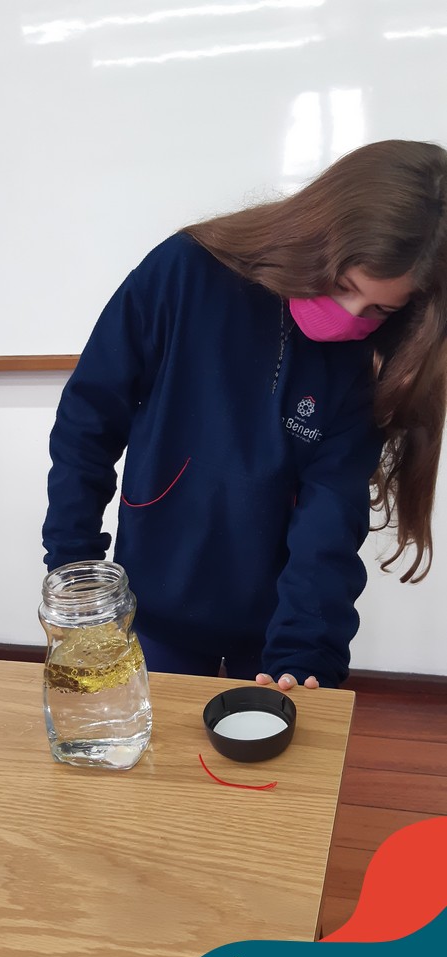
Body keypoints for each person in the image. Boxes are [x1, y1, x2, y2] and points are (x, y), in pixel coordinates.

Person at [42, 139, 447, 692]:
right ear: (316, 232)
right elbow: (88, 420)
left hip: (277, 617)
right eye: (343, 286)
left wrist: (306, 652)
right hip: (158, 598)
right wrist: (75, 570)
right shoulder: (185, 271)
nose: (350, 317)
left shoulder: (367, 358)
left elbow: (332, 512)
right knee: (152, 740)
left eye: (379, 308)